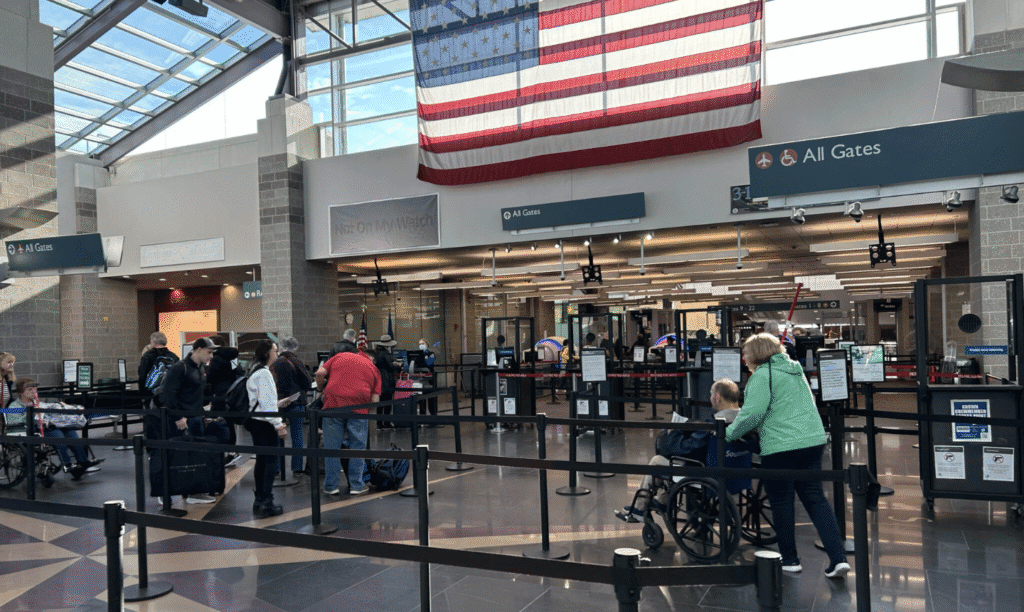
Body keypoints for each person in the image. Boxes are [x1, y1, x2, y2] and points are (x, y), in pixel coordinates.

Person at [725, 333, 850, 579]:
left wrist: (728, 433)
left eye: (746, 353)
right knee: (815, 499)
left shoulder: (762, 375)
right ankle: (838, 558)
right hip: (812, 441)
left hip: (781, 445)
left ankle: (790, 560)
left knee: (782, 502)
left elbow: (752, 414)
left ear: (757, 353)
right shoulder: (795, 370)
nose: (743, 357)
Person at [615, 378, 741, 521]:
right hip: (737, 470)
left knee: (657, 461)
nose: (710, 398)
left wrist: (674, 432)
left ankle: (640, 507)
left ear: (717, 397)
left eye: (711, 394)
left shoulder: (713, 425)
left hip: (705, 471)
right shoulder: (743, 421)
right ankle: (662, 499)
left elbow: (684, 448)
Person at [161, 336, 220, 505]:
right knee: (180, 456)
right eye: (209, 352)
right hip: (182, 420)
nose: (211, 356)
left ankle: (194, 491)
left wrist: (203, 415)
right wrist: (178, 417)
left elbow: (196, 395)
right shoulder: (180, 368)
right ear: (198, 350)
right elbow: (169, 394)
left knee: (195, 455)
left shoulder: (199, 368)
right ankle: (167, 490)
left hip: (195, 417)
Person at [316, 346, 381, 496]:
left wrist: (320, 389)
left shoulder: (340, 356)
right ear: (371, 359)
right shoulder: (374, 369)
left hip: (333, 405)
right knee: (357, 447)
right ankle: (356, 485)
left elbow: (320, 373)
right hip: (359, 407)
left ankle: (331, 486)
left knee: (331, 448)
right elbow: (375, 401)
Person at [9, 378, 101, 481]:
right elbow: (14, 423)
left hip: (46, 428)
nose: (33, 392)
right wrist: (31, 416)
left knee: (70, 432)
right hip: (30, 432)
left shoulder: (38, 403)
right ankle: (67, 464)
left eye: (34, 389)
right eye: (30, 389)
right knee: (57, 434)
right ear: (21, 392)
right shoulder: (14, 406)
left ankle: (83, 461)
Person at [246, 340, 292, 518]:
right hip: (265, 424)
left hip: (257, 421)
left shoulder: (255, 370)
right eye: (275, 350)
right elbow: (266, 404)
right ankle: (267, 503)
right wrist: (279, 425)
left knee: (262, 461)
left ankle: (260, 500)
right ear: (266, 353)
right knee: (269, 463)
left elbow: (263, 401)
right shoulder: (264, 373)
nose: (277, 354)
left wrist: (277, 403)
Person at [273, 336, 312, 476]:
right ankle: (297, 468)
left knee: (278, 434)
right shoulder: (296, 361)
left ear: (281, 347)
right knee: (297, 435)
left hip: (278, 402)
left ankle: (277, 468)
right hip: (296, 402)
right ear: (295, 348)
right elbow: (307, 382)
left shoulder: (275, 363)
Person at [207, 343, 242, 467]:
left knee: (217, 423)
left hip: (219, 395)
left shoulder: (216, 359)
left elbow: (210, 377)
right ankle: (232, 452)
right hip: (227, 394)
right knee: (228, 422)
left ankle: (222, 453)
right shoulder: (226, 359)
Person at [138, 332, 179, 401]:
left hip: (152, 395)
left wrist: (143, 394)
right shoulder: (173, 357)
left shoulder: (148, 356)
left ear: (154, 342)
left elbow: (142, 375)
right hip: (170, 394)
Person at [373, 335, 397, 429]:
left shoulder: (376, 352)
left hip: (379, 379)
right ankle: (386, 422)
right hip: (387, 379)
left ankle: (379, 423)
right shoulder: (386, 353)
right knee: (388, 402)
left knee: (380, 403)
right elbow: (390, 366)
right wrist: (396, 365)